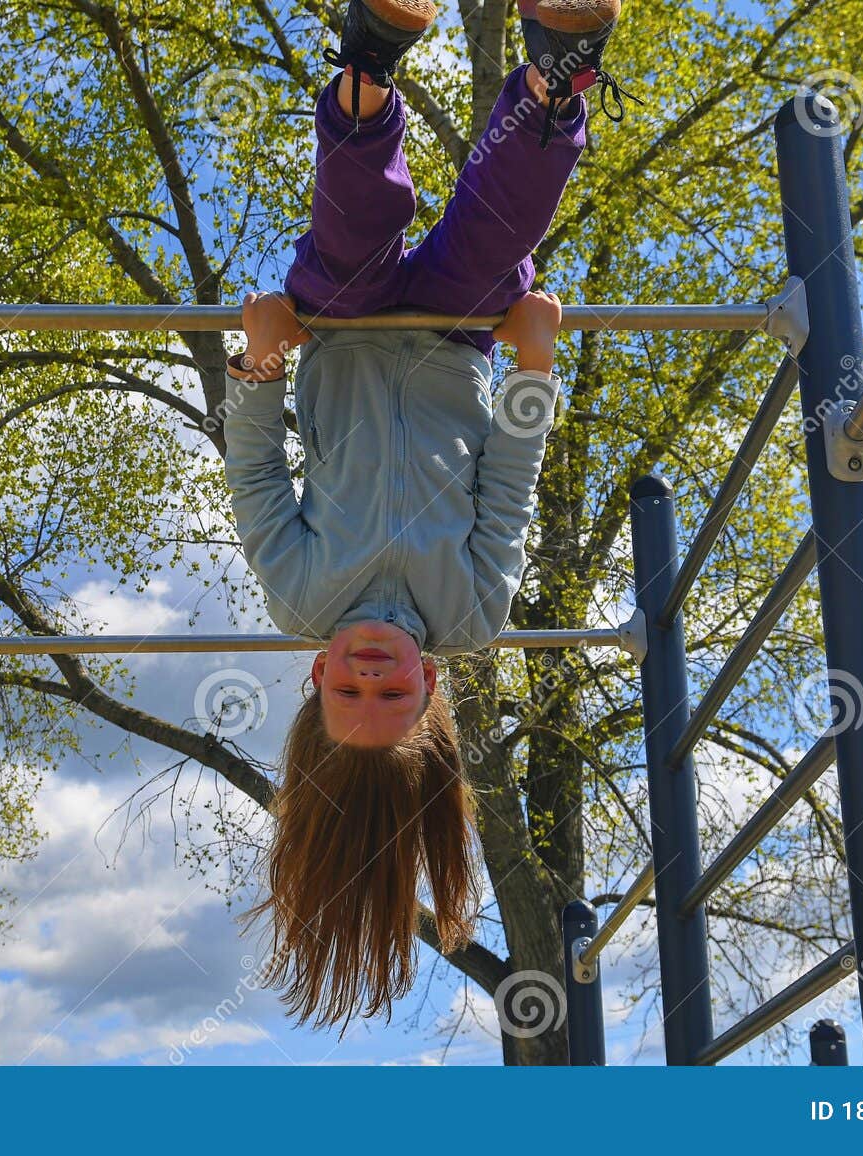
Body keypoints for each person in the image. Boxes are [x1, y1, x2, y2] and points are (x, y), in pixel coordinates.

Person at [222, 0, 627, 1030]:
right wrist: (534, 361)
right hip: (457, 340)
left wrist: (262, 361)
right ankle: (555, 71)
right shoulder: (470, 607)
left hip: (346, 329)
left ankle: (370, 61)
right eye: (387, 693)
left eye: (344, 691)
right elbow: (509, 479)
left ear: (314, 678)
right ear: (429, 686)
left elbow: (258, 474)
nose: (365, 673)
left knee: (353, 228)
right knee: (502, 231)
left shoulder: (300, 594)